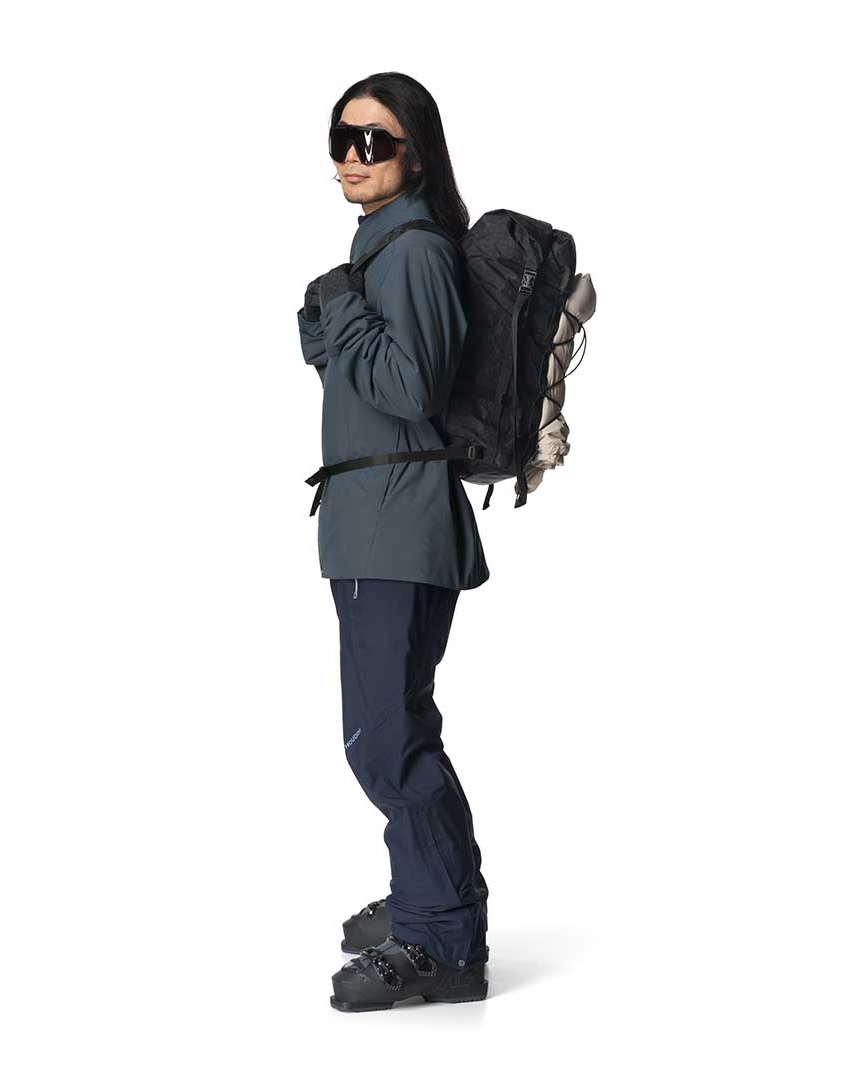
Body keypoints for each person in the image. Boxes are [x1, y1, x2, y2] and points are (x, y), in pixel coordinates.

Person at [296, 72, 491, 1012]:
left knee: (387, 739)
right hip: (373, 520)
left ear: (416, 154)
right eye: (342, 137)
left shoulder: (412, 252)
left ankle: (442, 941)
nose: (352, 156)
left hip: (395, 524)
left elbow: (410, 389)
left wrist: (340, 303)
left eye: (374, 141)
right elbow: (364, 376)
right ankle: (432, 894)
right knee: (392, 726)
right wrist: (333, 308)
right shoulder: (380, 248)